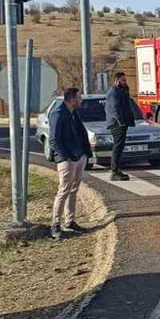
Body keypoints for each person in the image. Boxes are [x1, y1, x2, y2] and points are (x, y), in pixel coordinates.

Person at [48, 88, 93, 239]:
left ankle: (70, 221)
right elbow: (53, 140)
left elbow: (81, 133)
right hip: (67, 159)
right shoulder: (58, 113)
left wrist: (85, 154)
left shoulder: (73, 113)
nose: (81, 101)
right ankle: (55, 224)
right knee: (63, 191)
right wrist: (65, 157)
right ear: (72, 99)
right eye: (79, 98)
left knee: (73, 190)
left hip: (79, 156)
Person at [104, 72, 141, 181]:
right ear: (117, 81)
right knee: (118, 146)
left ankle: (116, 169)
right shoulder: (114, 92)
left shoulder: (120, 91)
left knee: (119, 146)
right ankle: (114, 171)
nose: (125, 83)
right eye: (123, 81)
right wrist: (121, 122)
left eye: (125, 80)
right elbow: (115, 109)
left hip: (121, 123)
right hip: (117, 124)